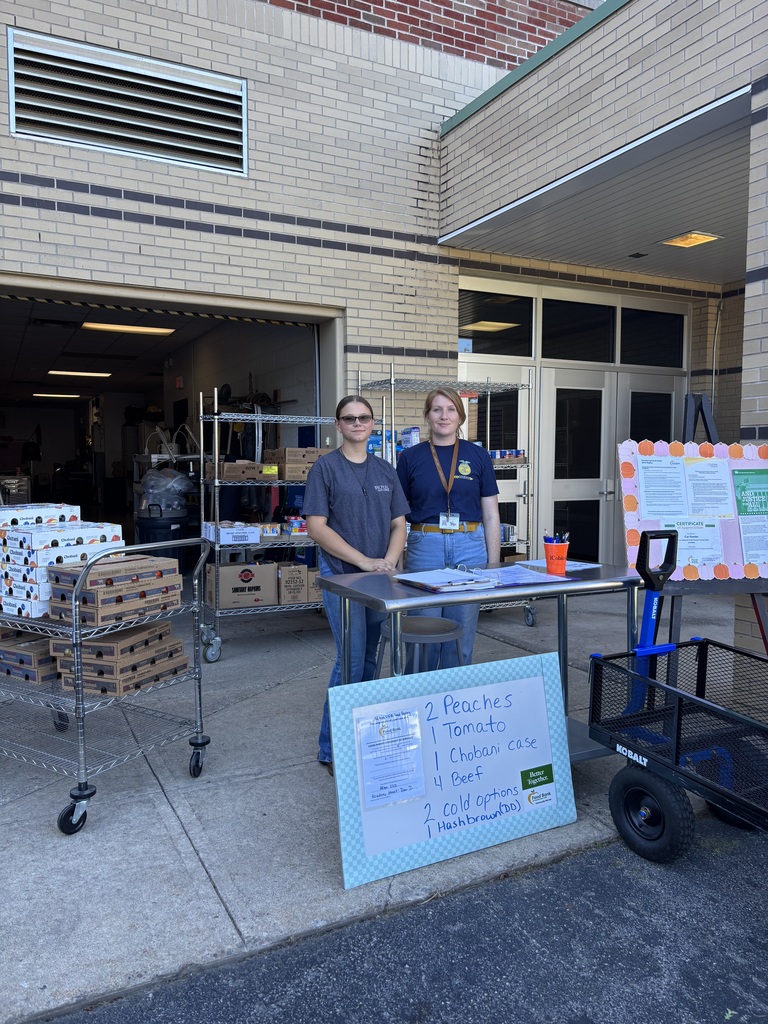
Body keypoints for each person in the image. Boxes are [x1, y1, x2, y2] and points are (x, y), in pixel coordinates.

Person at [305, 396, 409, 774]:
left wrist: (391, 561)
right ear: (338, 425)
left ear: (373, 423)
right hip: (343, 579)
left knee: (370, 659)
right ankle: (332, 749)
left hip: (381, 579)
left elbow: (399, 524)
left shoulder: (385, 470)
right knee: (349, 660)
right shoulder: (325, 469)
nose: (357, 423)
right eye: (349, 418)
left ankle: (362, 740)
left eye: (363, 418)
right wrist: (364, 561)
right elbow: (317, 527)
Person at [396, 386, 500, 669]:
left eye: (451, 409)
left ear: (460, 416)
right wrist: (393, 561)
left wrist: (493, 564)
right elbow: (395, 515)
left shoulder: (478, 456)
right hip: (425, 546)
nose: (444, 416)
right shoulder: (409, 458)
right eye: (437, 410)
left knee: (460, 636)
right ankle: (419, 701)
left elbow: (491, 514)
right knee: (422, 634)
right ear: (427, 416)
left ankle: (454, 704)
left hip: (469, 547)